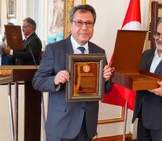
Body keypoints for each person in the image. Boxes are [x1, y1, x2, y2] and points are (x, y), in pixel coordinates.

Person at [32, 4, 114, 141]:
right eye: (79, 22)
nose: (84, 27)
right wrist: (54, 80)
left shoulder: (99, 52)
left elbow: (106, 89)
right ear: (71, 25)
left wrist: (106, 79)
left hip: (87, 125)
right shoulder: (54, 49)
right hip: (61, 125)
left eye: (89, 23)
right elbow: (37, 81)